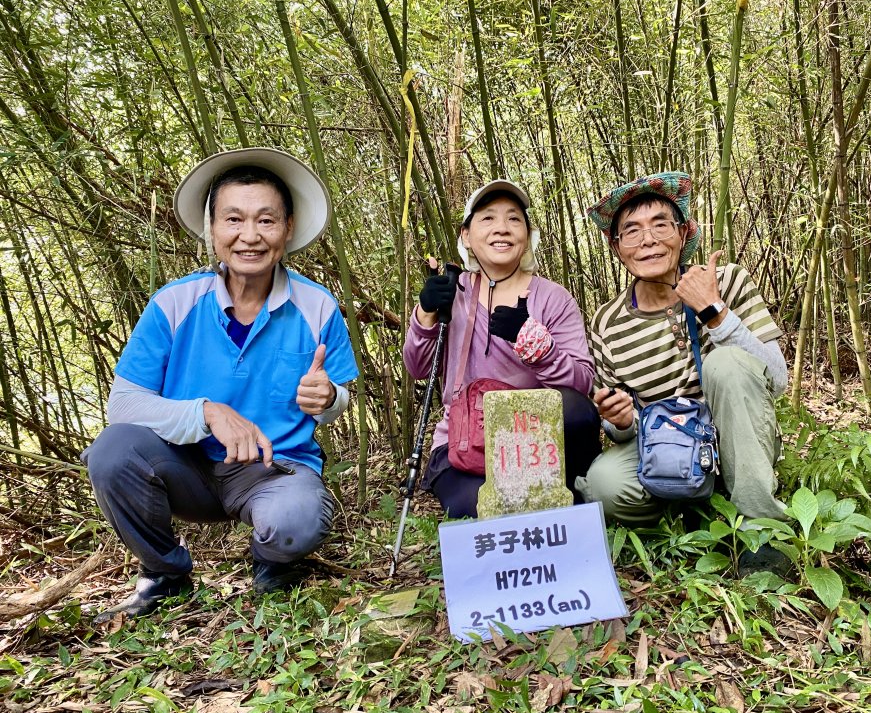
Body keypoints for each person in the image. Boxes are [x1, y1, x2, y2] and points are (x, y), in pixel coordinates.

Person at [84, 148, 358, 623]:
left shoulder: (317, 306)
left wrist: (330, 398)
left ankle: (272, 563)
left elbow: (336, 401)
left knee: (296, 520)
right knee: (112, 451)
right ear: (212, 230)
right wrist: (206, 411)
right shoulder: (174, 302)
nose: (249, 236)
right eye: (233, 219)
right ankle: (165, 572)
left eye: (266, 221)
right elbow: (123, 404)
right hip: (183, 466)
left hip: (274, 470)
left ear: (288, 228)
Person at [578, 172, 790, 576]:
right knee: (603, 483)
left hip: (736, 435)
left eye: (661, 224)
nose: (649, 239)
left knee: (725, 363)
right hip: (669, 450)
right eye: (632, 231)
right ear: (617, 247)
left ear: (684, 232)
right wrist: (620, 420)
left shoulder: (727, 281)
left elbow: (775, 379)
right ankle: (689, 508)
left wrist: (713, 311)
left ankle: (761, 530)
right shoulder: (606, 322)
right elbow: (624, 428)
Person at [403, 180, 600, 517]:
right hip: (465, 440)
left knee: (579, 412)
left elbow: (581, 385)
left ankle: (552, 492)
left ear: (528, 235)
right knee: (479, 507)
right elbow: (419, 368)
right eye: (488, 219)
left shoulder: (552, 298)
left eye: (513, 219)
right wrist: (426, 313)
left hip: (537, 440)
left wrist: (534, 344)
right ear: (466, 235)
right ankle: (549, 498)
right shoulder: (452, 292)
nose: (502, 229)